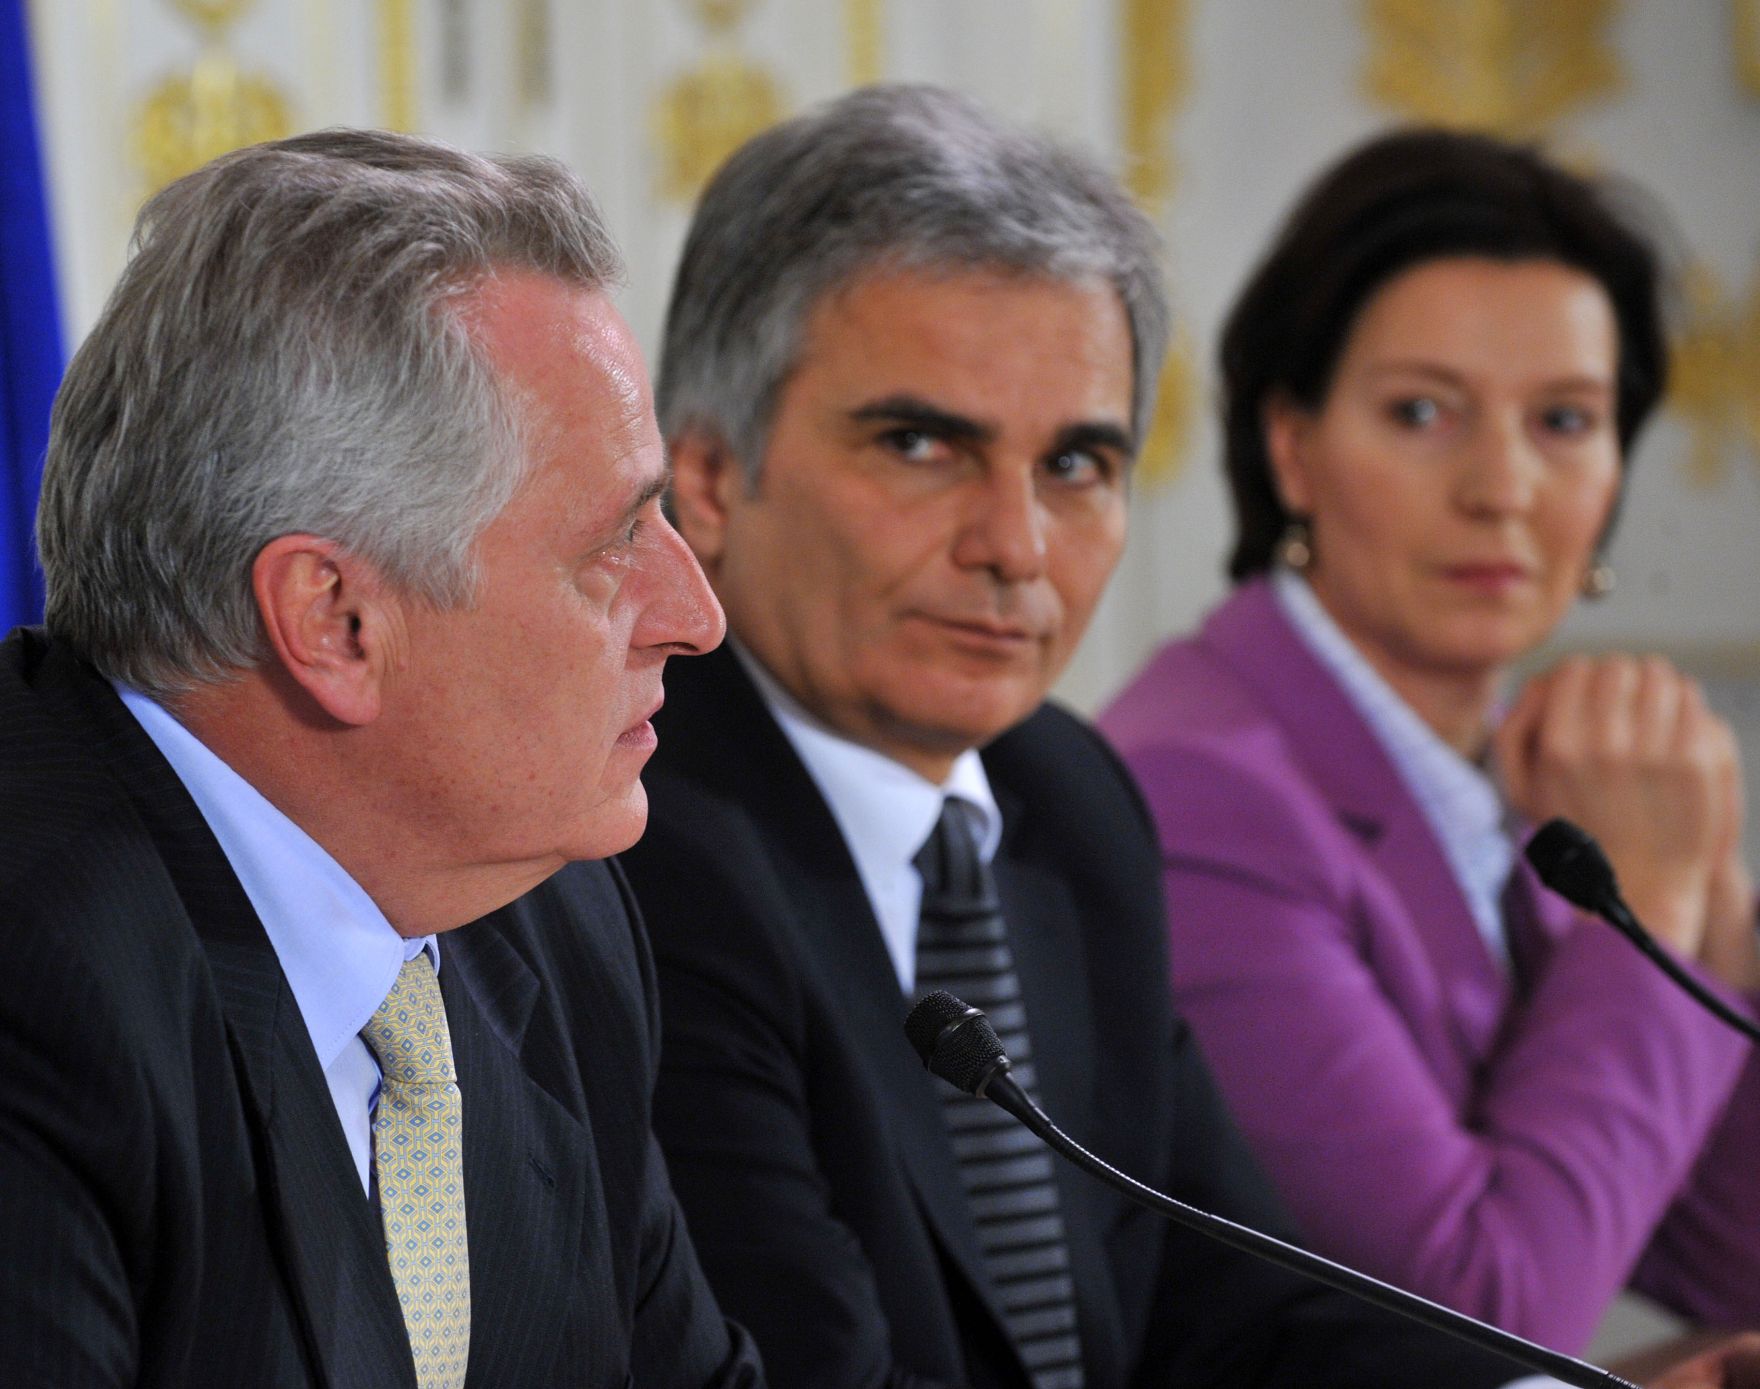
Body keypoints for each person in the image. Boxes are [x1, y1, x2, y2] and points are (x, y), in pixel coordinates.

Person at [616, 84, 1551, 1389]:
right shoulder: (635, 837)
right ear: (709, 478)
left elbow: (1239, 1303)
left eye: (1075, 465)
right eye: (921, 443)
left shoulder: (1066, 796)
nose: (1017, 547)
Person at [0, 129, 762, 1388]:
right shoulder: (38, 987)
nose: (695, 613)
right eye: (612, 547)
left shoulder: (556, 924)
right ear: (335, 624)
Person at [1100, 128, 1760, 1356]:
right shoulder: (1200, 791)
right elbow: (1473, 1324)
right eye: (1420, 412)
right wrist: (1655, 901)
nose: (1500, 486)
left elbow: (1729, 1263)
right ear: (1291, 446)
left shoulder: (1525, 763)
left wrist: (1722, 933)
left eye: (1563, 419)